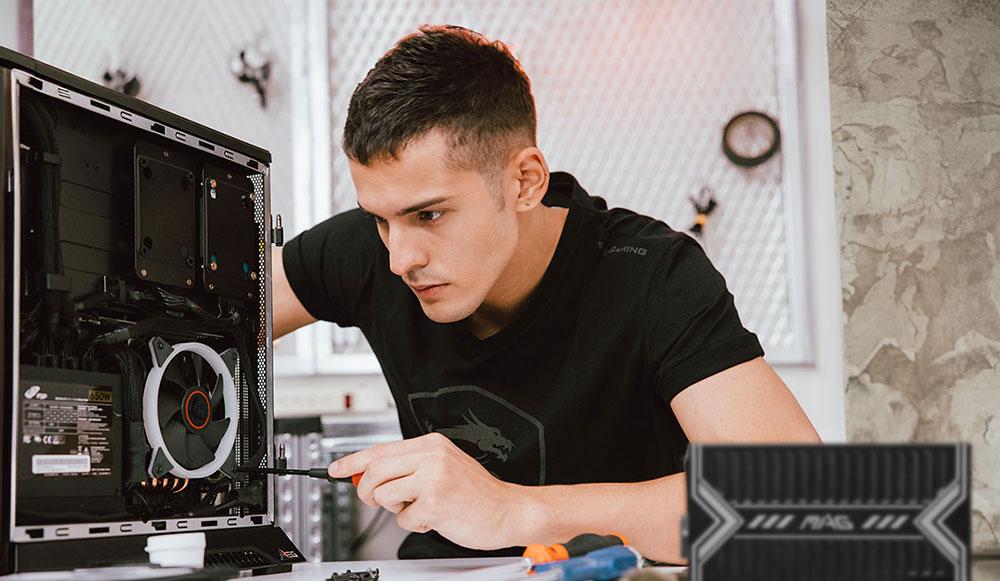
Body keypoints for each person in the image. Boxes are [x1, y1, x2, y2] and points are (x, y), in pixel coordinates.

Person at [272, 25, 820, 563]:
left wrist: (516, 511)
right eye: (380, 220)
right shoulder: (369, 250)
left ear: (526, 181)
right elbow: (208, 317)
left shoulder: (650, 274)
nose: (400, 259)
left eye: (431, 214)